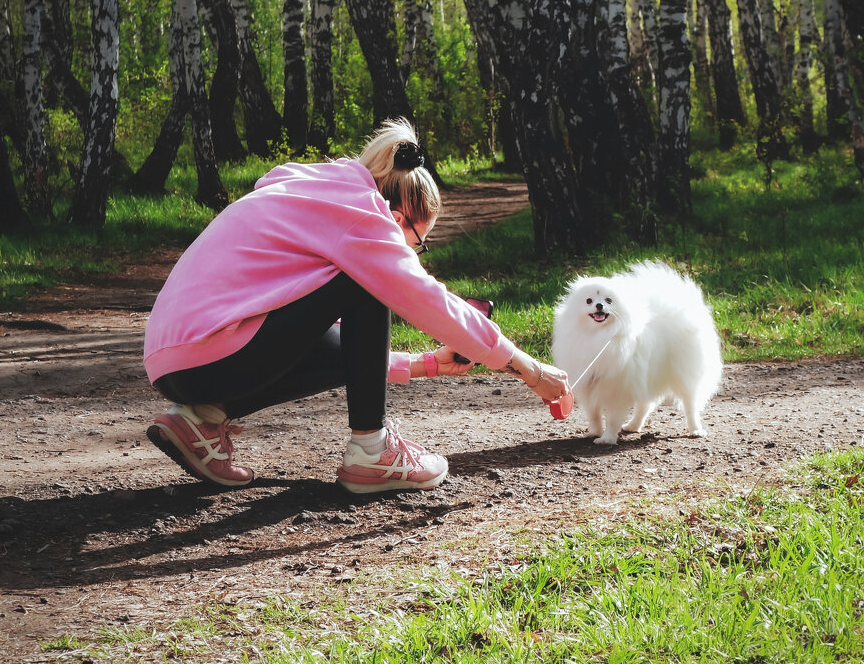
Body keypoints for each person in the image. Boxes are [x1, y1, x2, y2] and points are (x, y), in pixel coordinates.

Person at [142, 118, 570, 493]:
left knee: (355, 293)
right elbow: (428, 301)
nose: (415, 254)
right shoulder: (363, 217)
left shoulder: (314, 190)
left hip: (178, 364)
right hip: (216, 353)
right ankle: (372, 449)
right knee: (368, 282)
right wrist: (529, 369)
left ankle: (202, 419)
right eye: (418, 243)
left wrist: (428, 364)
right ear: (399, 219)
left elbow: (337, 347)